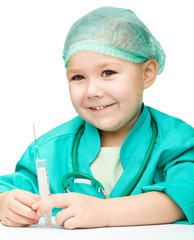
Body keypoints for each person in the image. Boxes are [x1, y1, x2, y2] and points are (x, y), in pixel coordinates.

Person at [0, 6, 193, 230]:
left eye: (108, 73)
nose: (93, 91)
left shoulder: (178, 141)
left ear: (147, 73)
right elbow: (9, 188)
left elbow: (188, 191)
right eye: (78, 77)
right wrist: (6, 203)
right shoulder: (50, 150)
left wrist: (106, 212)